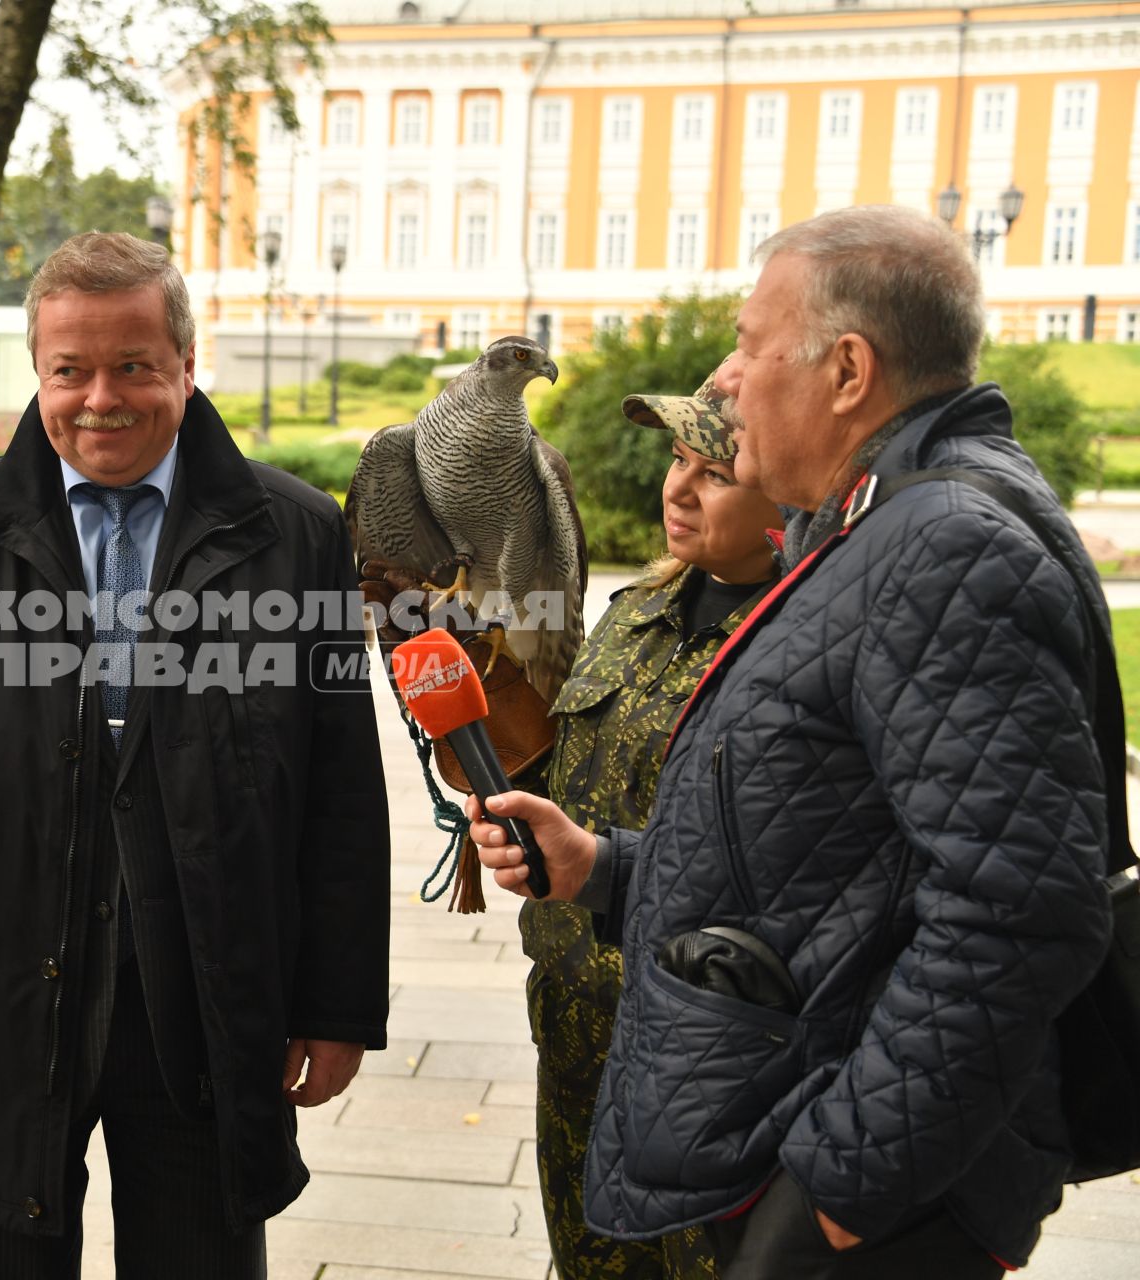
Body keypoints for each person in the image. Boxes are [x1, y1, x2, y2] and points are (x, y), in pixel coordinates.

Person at [468, 205, 1115, 1279]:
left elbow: (1023, 910)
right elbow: (841, 866)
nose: (725, 379)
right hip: (812, 1141)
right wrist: (603, 868)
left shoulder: (943, 543)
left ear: (848, 368)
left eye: (749, 343)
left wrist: (843, 1189)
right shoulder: (882, 521)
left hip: (860, 1196)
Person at [0, 230, 391, 1278]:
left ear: (186, 364)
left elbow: (342, 793)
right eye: (69, 370)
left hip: (206, 1003)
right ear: (39, 371)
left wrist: (337, 1004)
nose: (100, 398)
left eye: (134, 366)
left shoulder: (297, 537)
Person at [523, 362, 779, 1280]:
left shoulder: (795, 638)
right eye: (677, 457)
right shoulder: (636, 611)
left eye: (715, 471)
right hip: (579, 1025)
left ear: (785, 492)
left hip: (706, 1050)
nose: (677, 485)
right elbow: (575, 771)